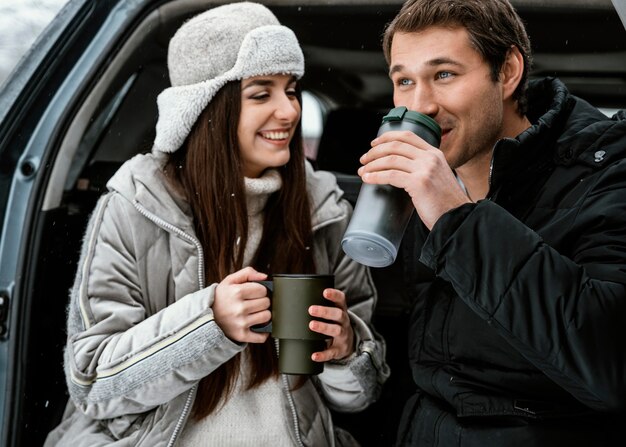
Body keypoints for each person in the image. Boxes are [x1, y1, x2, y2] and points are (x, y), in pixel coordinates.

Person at [44, 3, 389, 446]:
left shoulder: (325, 211)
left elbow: (361, 398)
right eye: (261, 93)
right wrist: (209, 324)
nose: (288, 111)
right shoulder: (134, 207)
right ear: (206, 108)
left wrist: (347, 351)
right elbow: (93, 384)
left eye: (291, 89)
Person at [357, 0, 626, 445]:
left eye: (444, 75)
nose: (420, 105)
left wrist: (456, 218)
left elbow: (608, 363)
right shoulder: (410, 191)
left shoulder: (606, 171)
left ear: (507, 71)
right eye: (404, 80)